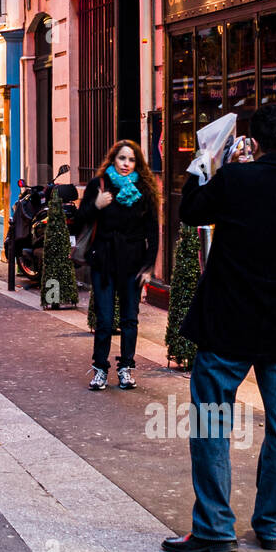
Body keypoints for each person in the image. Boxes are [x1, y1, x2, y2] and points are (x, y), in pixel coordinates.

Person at [163, 102, 276, 552]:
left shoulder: (237, 180)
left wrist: (205, 166)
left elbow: (193, 212)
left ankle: (215, 528)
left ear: (253, 143)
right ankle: (272, 525)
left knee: (212, 421)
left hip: (228, 323)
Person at [75, 139, 159, 391]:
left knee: (130, 320)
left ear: (137, 163)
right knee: (104, 320)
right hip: (104, 261)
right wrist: (95, 206)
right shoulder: (98, 185)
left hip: (133, 264)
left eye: (131, 159)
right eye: (122, 158)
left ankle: (126, 369)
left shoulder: (144, 189)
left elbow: (153, 232)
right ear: (113, 159)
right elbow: (78, 222)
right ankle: (100, 369)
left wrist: (148, 267)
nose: (126, 164)